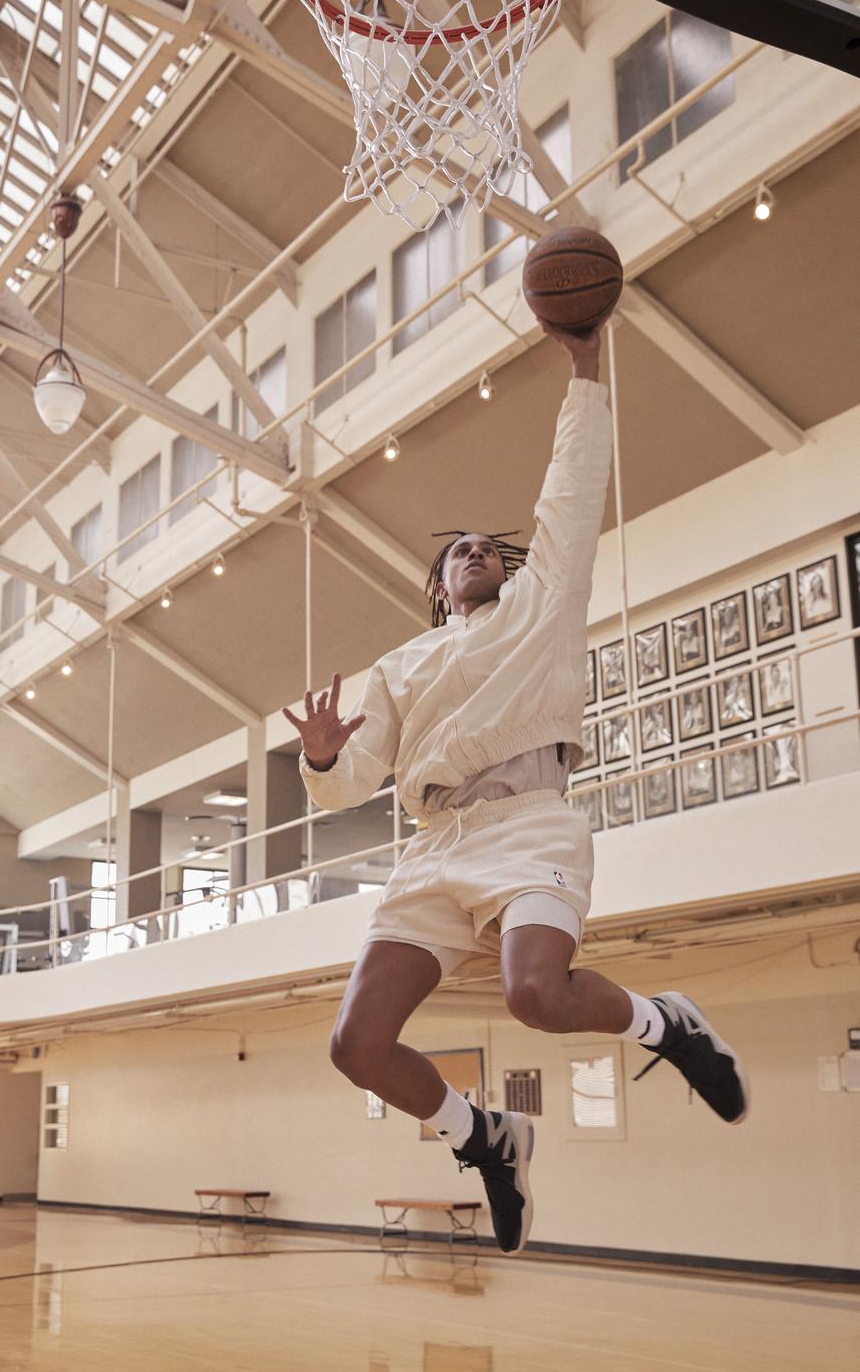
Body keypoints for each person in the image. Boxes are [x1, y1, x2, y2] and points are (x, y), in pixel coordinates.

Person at [283, 316, 750, 1256]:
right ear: (436, 587)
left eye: (488, 544)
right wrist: (327, 759)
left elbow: (570, 497)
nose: (475, 551)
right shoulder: (403, 665)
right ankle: (483, 1136)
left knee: (535, 995)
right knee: (354, 1048)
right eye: (456, 550)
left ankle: (669, 1027)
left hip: (528, 823)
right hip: (433, 845)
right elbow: (352, 785)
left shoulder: (541, 607)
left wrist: (583, 369)